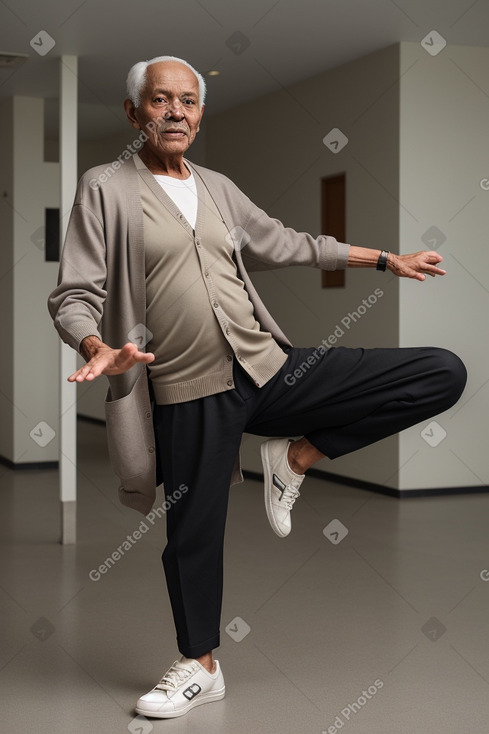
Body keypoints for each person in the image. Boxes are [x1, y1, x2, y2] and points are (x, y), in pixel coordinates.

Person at [48, 55, 467, 720]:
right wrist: (96, 345)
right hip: (185, 390)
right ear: (135, 114)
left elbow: (287, 243)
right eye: (161, 101)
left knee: (440, 373)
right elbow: (73, 294)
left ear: (200, 112)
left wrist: (386, 259)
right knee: (193, 532)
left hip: (270, 368)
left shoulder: (216, 187)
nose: (176, 112)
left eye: (188, 101)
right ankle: (201, 664)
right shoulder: (104, 187)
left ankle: (293, 456)